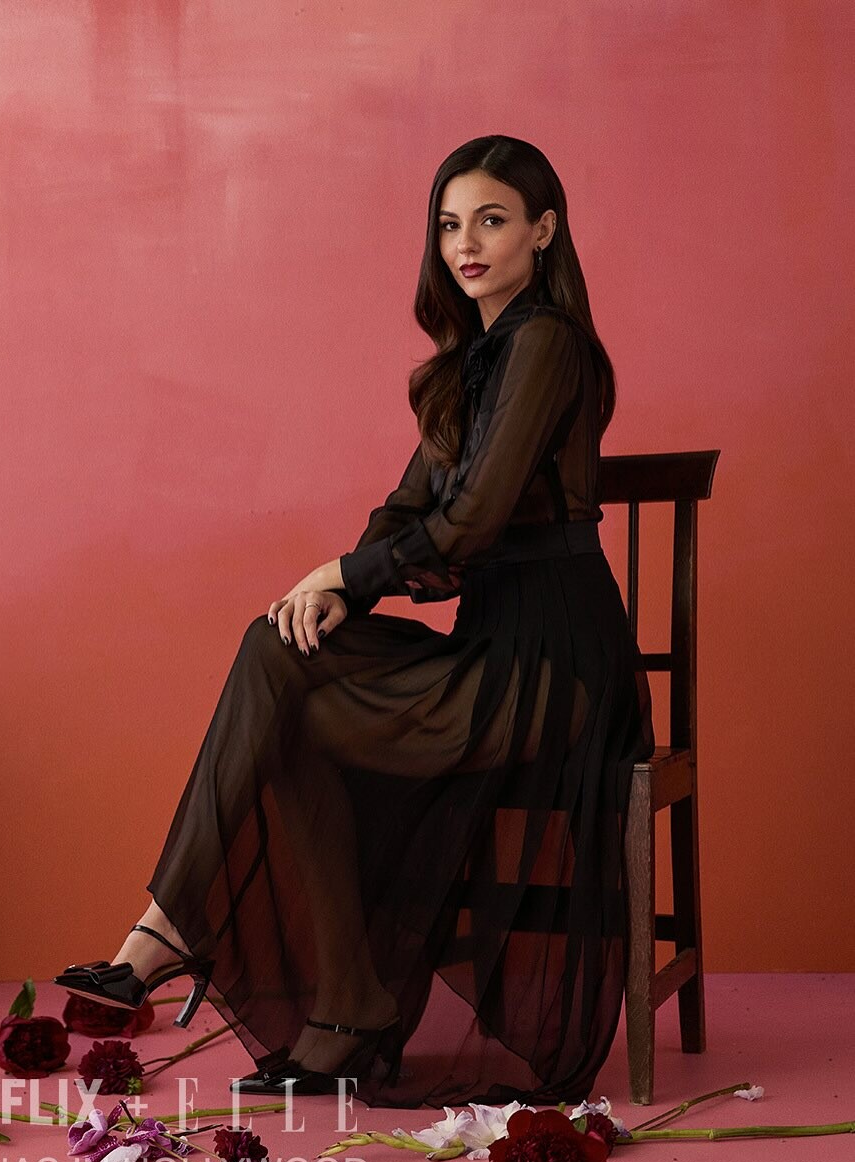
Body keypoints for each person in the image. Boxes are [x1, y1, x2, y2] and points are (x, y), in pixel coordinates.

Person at [55, 134, 655, 1111]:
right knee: (281, 663)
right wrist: (345, 589)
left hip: (553, 666)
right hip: (488, 650)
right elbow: (408, 507)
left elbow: (472, 521)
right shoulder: (469, 363)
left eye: (492, 221)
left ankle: (188, 940)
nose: (466, 245)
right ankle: (317, 992)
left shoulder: (547, 342)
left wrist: (342, 572)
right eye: (450, 225)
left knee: (286, 696)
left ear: (544, 231)